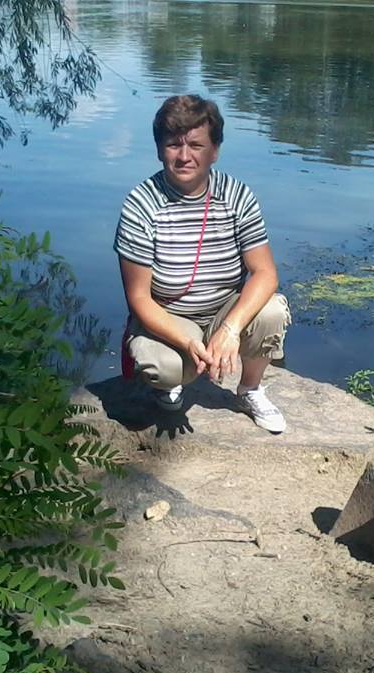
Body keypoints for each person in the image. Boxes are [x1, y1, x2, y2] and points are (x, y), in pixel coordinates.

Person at [114, 95, 290, 433]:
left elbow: (265, 273)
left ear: (214, 151)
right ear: (159, 149)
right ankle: (172, 381)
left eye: (196, 145)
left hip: (222, 309)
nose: (184, 156)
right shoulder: (140, 205)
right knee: (162, 366)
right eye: (173, 145)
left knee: (272, 311)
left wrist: (230, 330)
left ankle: (249, 389)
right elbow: (138, 298)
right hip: (169, 316)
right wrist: (188, 344)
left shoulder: (237, 196)